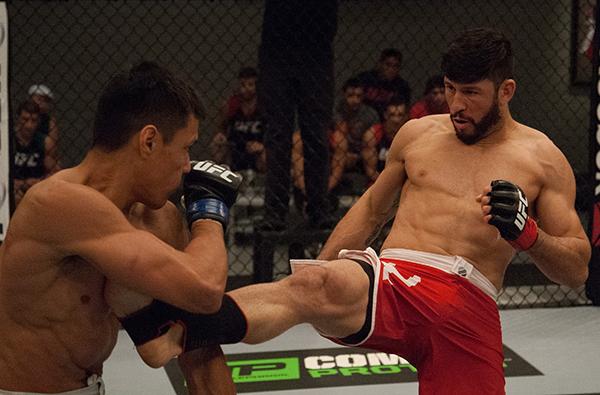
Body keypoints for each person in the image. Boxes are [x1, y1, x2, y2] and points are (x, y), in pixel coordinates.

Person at [109, 28, 591, 394]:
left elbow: (576, 268)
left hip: (468, 303)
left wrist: (528, 234)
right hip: (393, 281)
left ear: (506, 91)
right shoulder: (419, 135)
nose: (457, 104)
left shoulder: (541, 158)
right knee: (313, 284)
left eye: (472, 93)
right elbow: (371, 209)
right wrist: (321, 272)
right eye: (449, 89)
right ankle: (174, 331)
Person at [0, 61, 241, 394]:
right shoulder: (58, 203)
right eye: (185, 148)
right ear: (149, 141)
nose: (188, 166)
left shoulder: (159, 218)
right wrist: (210, 213)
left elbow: (198, 345)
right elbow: (206, 288)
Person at [257, 0, 338, 230]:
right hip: (278, 48)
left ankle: (318, 209)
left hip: (316, 50)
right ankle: (275, 212)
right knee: (278, 135)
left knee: (316, 136)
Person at [210, 66, 266, 173]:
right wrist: (221, 135)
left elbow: (271, 131)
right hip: (236, 147)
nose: (246, 89)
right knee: (216, 145)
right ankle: (220, 176)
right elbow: (222, 127)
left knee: (266, 153)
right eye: (243, 85)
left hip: (258, 147)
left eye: (250, 85)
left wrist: (262, 146)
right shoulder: (231, 104)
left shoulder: (263, 106)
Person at [332, 77, 381, 185]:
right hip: (337, 152)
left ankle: (377, 182)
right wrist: (346, 154)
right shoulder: (335, 110)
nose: (355, 100)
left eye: (359, 96)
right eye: (350, 95)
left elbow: (375, 140)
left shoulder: (370, 114)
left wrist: (358, 155)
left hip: (363, 153)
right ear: (343, 94)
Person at [13, 99, 59, 207]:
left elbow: (55, 172)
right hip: (12, 187)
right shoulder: (7, 140)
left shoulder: (45, 142)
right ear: (18, 119)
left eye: (33, 120)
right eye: (25, 119)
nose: (29, 125)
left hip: (37, 187)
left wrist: (40, 182)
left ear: (39, 121)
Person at [356, 48, 411, 120]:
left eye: (395, 66)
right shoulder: (366, 79)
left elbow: (404, 110)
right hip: (364, 119)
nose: (391, 69)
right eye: (388, 65)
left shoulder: (402, 86)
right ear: (380, 64)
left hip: (389, 122)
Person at [362, 98, 409, 176]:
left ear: (406, 116)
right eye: (392, 115)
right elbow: (371, 171)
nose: (396, 120)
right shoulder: (373, 134)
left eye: (400, 115)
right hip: (378, 180)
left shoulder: (410, 134)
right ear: (386, 115)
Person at [28, 84, 60, 159]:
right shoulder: (21, 116)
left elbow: (53, 148)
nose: (42, 103)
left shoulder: (50, 122)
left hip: (42, 155)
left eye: (46, 101)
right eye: (39, 99)